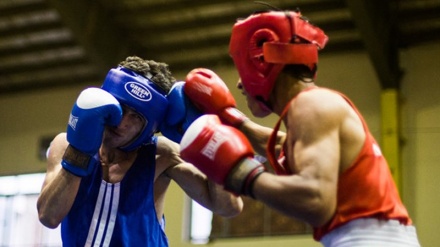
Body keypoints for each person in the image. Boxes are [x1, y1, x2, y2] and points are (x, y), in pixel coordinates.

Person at [178, 10, 421, 246]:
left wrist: (238, 172)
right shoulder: (312, 112)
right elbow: (285, 146)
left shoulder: (311, 105)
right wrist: (228, 117)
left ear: (261, 64)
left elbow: (315, 200)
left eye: (242, 67)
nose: (240, 84)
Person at [36, 56, 243, 247]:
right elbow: (48, 216)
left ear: (152, 126)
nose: (122, 123)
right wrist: (79, 152)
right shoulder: (66, 145)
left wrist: (211, 141)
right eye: (120, 108)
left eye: (136, 117)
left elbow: (228, 207)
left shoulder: (161, 155)